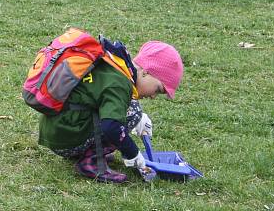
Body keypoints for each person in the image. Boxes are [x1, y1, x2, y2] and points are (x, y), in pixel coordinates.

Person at [37, 40, 184, 183]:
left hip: (58, 130)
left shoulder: (115, 64)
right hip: (65, 139)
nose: (153, 96)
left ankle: (87, 152)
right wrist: (132, 153)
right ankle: (92, 164)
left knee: (132, 110)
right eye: (158, 89)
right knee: (129, 115)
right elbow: (111, 126)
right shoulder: (120, 84)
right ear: (145, 72)